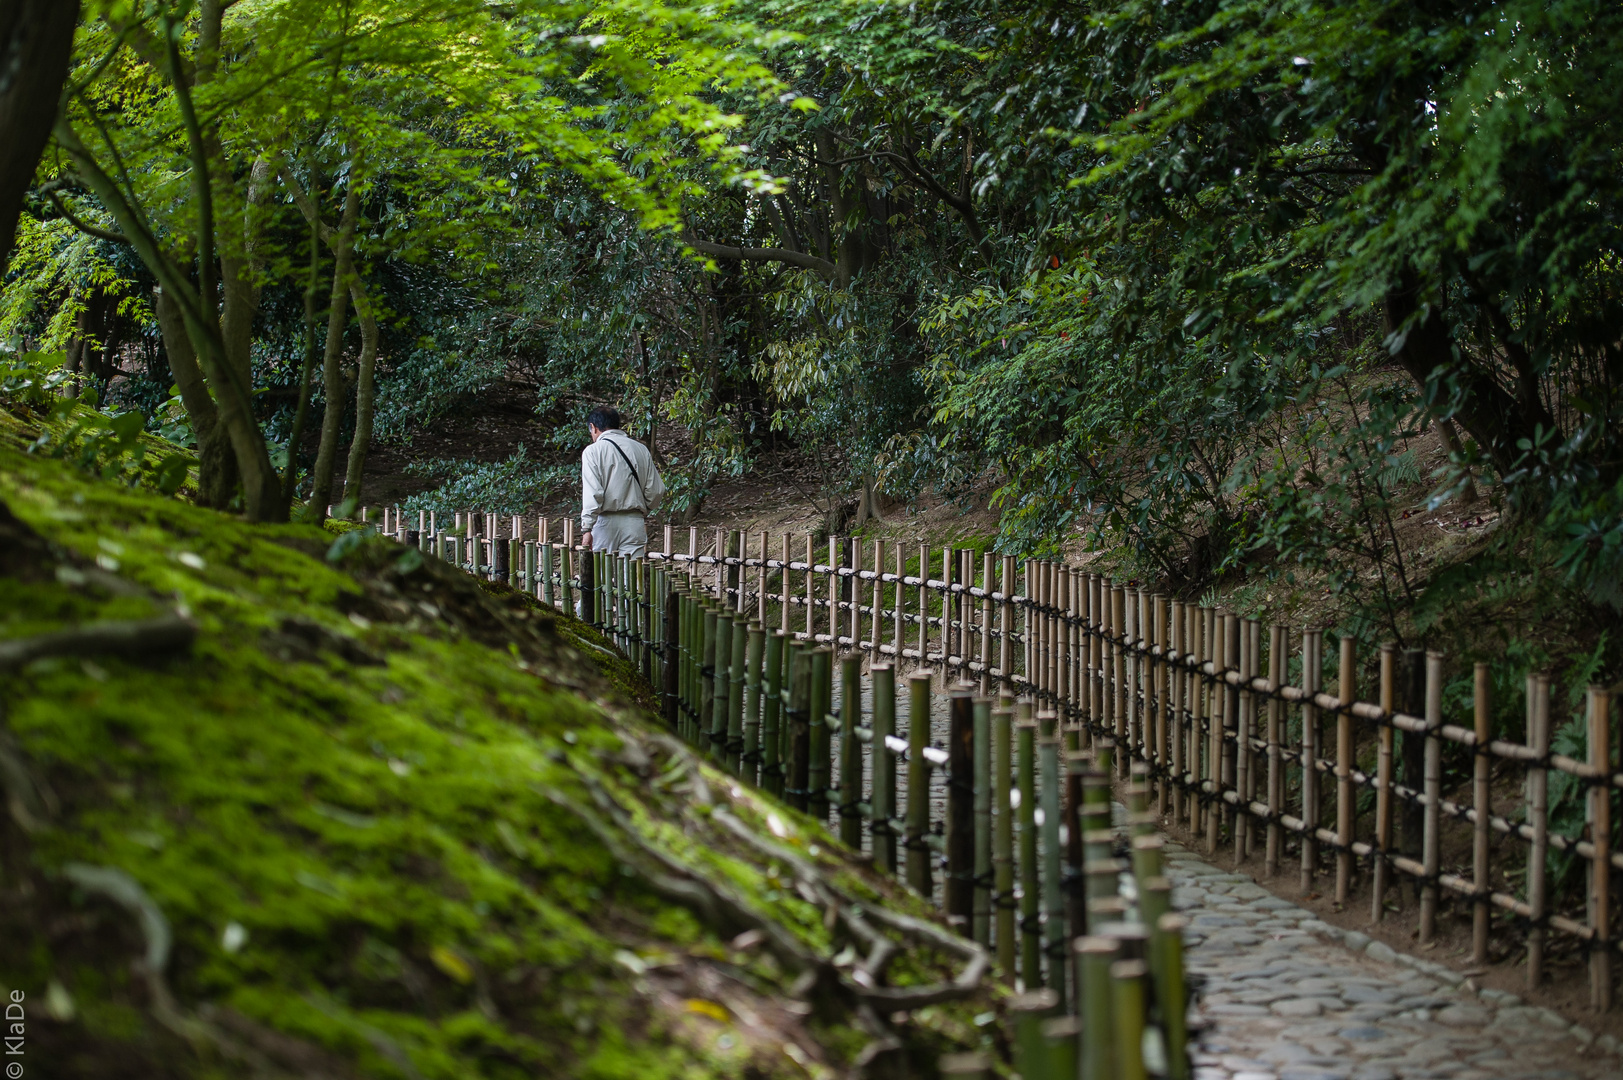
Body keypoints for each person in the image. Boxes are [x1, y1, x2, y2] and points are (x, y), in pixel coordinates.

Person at [580, 406, 664, 558]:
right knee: (631, 576)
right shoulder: (641, 449)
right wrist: (644, 508)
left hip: (605, 523)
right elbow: (656, 490)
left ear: (593, 427)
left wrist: (587, 528)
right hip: (634, 521)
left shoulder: (593, 451)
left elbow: (593, 494)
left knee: (604, 577)